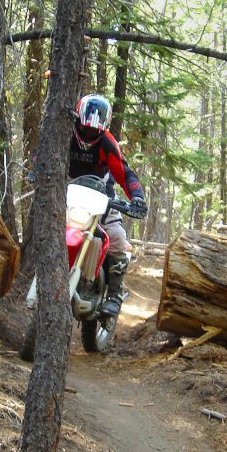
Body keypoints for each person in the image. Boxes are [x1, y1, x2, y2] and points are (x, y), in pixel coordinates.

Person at [69, 93, 147, 317]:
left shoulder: (107, 142)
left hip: (101, 195)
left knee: (116, 236)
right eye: (86, 128)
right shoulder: (64, 132)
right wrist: (37, 170)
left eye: (95, 130)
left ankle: (114, 294)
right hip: (67, 191)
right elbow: (41, 153)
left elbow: (125, 173)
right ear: (79, 120)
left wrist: (137, 197)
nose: (90, 133)